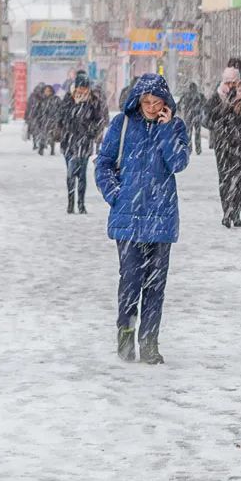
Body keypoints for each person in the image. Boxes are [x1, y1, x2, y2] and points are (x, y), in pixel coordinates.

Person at [94, 74, 190, 365]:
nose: (150, 107)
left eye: (156, 102)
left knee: (155, 286)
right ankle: (125, 334)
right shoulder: (121, 125)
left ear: (165, 102)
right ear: (138, 101)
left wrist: (165, 130)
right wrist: (116, 195)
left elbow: (179, 163)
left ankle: (149, 342)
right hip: (129, 218)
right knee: (130, 281)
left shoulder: (175, 126)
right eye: (146, 102)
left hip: (161, 218)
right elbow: (103, 164)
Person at [207, 67, 241, 228]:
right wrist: (223, 109)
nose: (231, 86)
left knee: (240, 180)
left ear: (239, 81)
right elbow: (207, 119)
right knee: (225, 179)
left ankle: (236, 213)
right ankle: (226, 213)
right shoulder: (217, 97)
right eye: (228, 82)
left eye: (234, 82)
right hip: (223, 145)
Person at [57, 73, 105, 214]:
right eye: (80, 88)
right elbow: (60, 119)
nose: (82, 91)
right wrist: (74, 109)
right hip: (69, 142)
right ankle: (71, 203)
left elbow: (98, 120)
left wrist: (92, 132)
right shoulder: (67, 100)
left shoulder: (93, 102)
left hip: (84, 142)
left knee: (82, 174)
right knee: (71, 173)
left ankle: (81, 204)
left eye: (85, 88)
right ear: (75, 87)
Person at [178, 81, 206, 155]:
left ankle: (189, 149)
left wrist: (181, 111)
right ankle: (198, 149)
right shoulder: (200, 95)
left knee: (188, 134)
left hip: (188, 117)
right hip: (197, 116)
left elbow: (179, 105)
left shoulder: (186, 95)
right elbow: (205, 104)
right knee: (197, 133)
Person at [34, 85, 61, 156]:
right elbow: (37, 110)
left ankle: (52, 149)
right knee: (42, 135)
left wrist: (58, 118)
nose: (47, 92)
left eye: (49, 91)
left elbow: (60, 108)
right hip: (43, 120)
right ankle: (41, 148)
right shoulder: (41, 100)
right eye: (46, 91)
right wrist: (37, 118)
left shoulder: (56, 99)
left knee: (52, 135)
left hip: (53, 120)